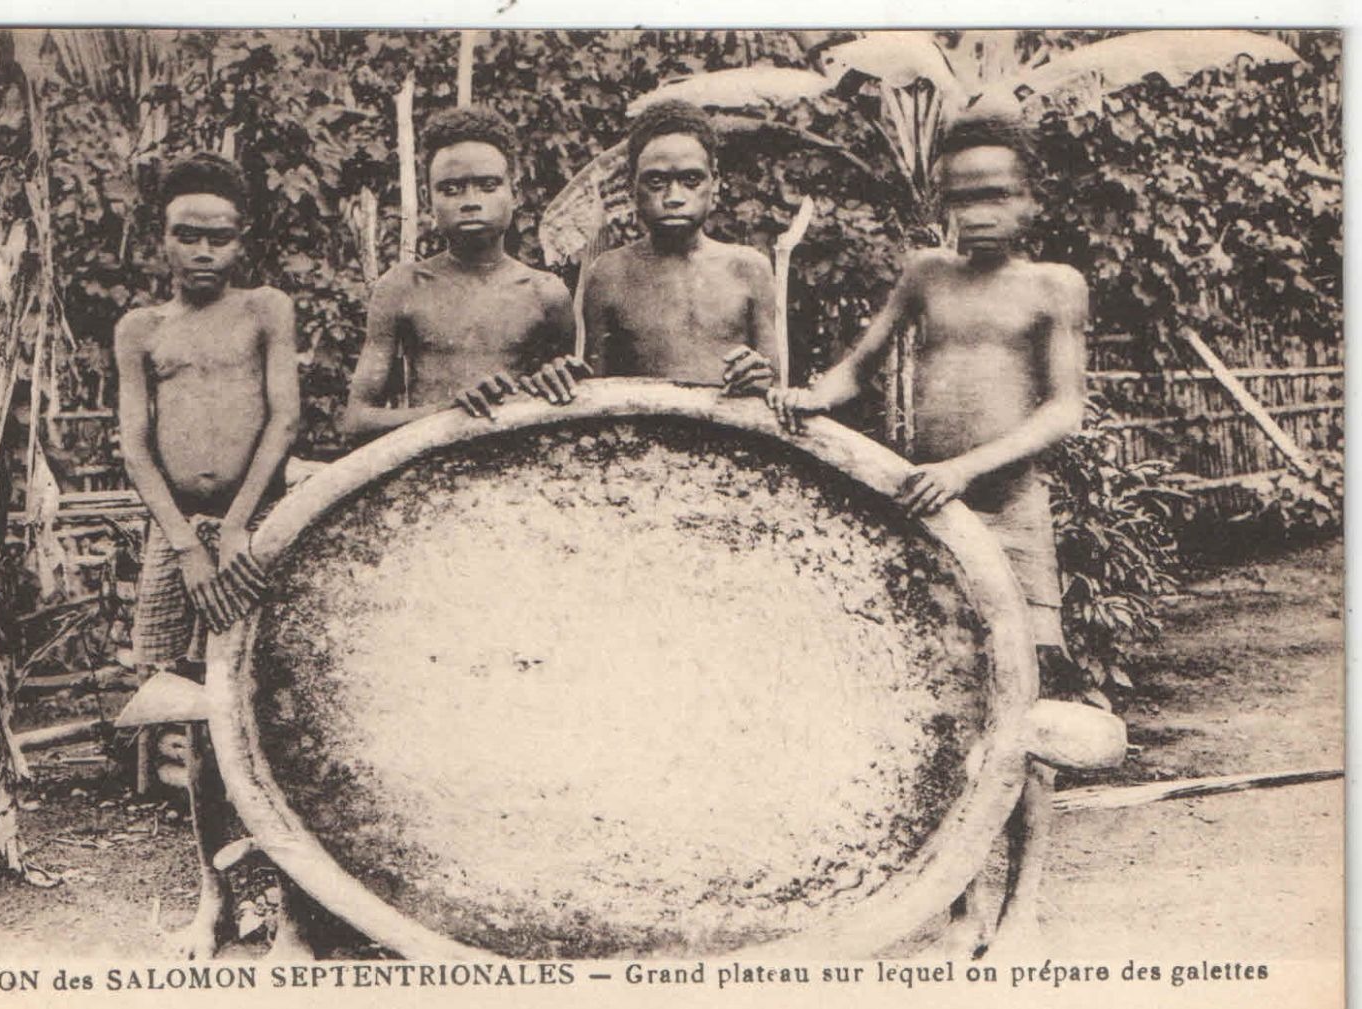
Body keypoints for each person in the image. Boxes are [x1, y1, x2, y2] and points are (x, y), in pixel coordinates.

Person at [752, 109, 1085, 662]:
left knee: (1033, 657)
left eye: (997, 196)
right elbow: (857, 369)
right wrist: (813, 397)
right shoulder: (926, 274)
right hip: (930, 502)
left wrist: (964, 469)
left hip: (1010, 507)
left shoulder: (1053, 287)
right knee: (943, 657)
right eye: (962, 199)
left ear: (1031, 199)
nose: (978, 215)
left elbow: (1063, 410)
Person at [114, 152, 310, 960]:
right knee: (190, 717)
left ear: (242, 240)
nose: (201, 251)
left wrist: (233, 528)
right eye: (185, 235)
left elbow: (284, 421)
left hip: (256, 525)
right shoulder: (140, 328)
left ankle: (297, 904)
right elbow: (132, 445)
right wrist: (185, 541)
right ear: (159, 240)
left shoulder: (265, 310)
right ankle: (214, 896)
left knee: (278, 709)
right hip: (177, 537)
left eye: (217, 237)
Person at [340, 106, 577, 442]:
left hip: (519, 467)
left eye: (488, 185)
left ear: (516, 193)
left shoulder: (545, 293)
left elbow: (570, 403)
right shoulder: (404, 287)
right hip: (430, 466)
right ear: (428, 199)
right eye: (451, 189)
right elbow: (357, 419)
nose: (470, 202)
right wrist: (448, 413)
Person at [534, 100, 777, 395]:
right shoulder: (610, 273)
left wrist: (758, 377)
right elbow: (596, 387)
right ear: (630, 188)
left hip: (729, 430)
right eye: (657, 181)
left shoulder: (749, 268)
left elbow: (773, 380)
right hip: (644, 433)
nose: (674, 197)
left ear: (715, 185)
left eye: (691, 180)